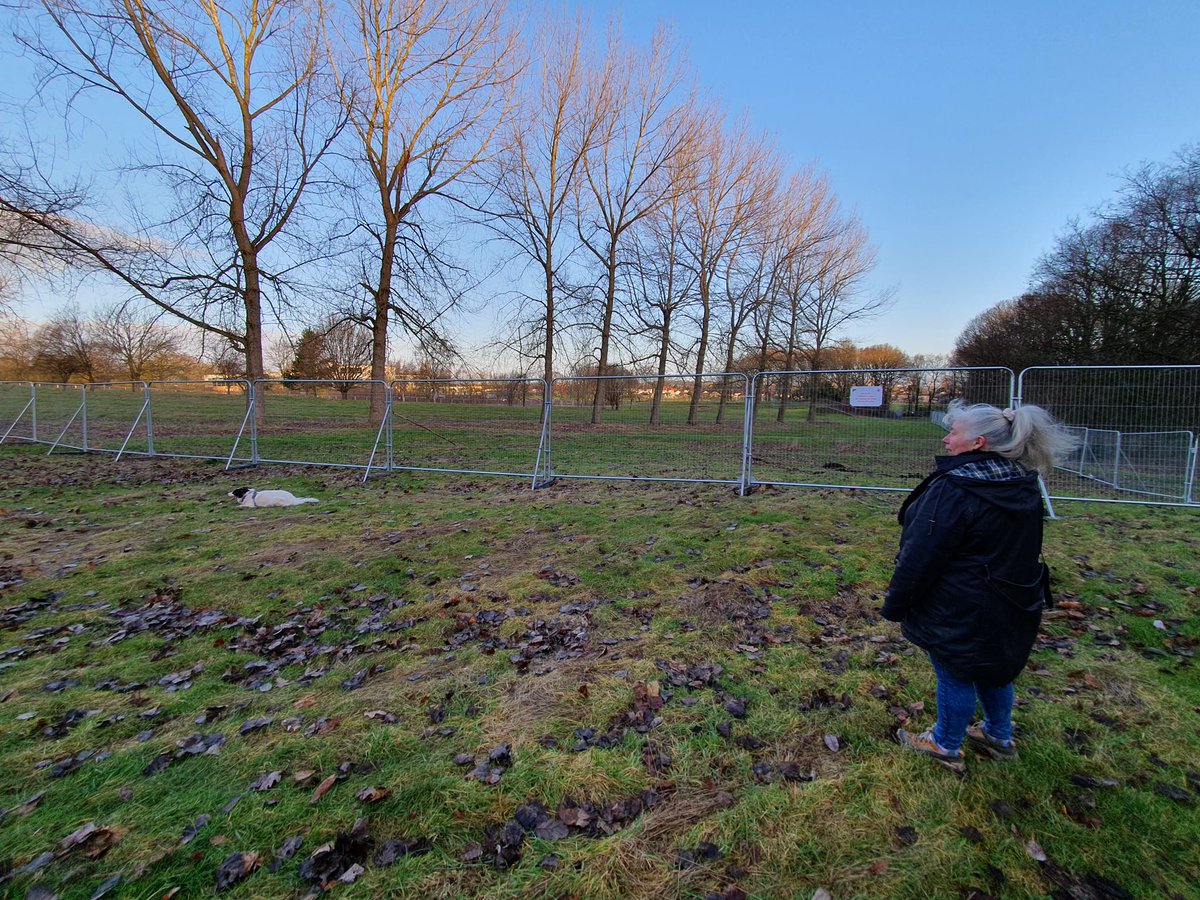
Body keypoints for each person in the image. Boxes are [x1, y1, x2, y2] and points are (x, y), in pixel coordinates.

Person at [882, 400, 1075, 765]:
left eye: (954, 433)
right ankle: (998, 734)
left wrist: (897, 603)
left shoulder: (955, 489)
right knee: (996, 669)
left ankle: (945, 744)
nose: (945, 439)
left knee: (955, 671)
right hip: (1012, 599)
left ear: (978, 443)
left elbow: (921, 556)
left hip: (961, 604)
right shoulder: (1021, 483)